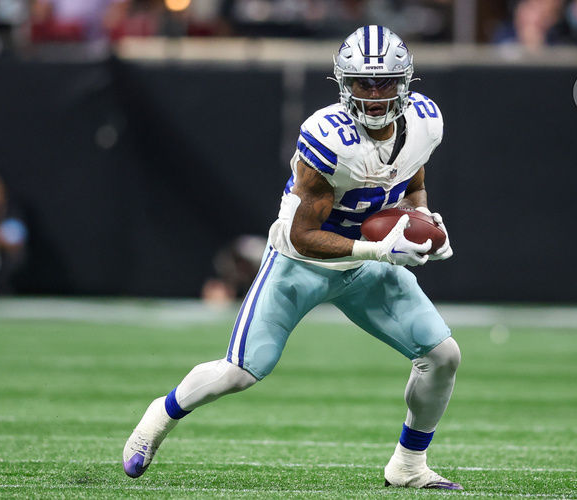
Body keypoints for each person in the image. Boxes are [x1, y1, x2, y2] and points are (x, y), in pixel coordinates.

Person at [123, 25, 462, 490]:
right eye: (365, 82)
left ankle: (408, 465)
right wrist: (380, 249)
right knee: (240, 372)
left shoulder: (424, 121)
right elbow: (303, 235)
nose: (377, 94)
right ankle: (158, 417)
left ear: (406, 82)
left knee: (442, 356)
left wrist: (424, 218)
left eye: (386, 81)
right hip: (301, 264)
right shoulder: (329, 136)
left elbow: (412, 171)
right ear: (345, 84)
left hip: (367, 265)